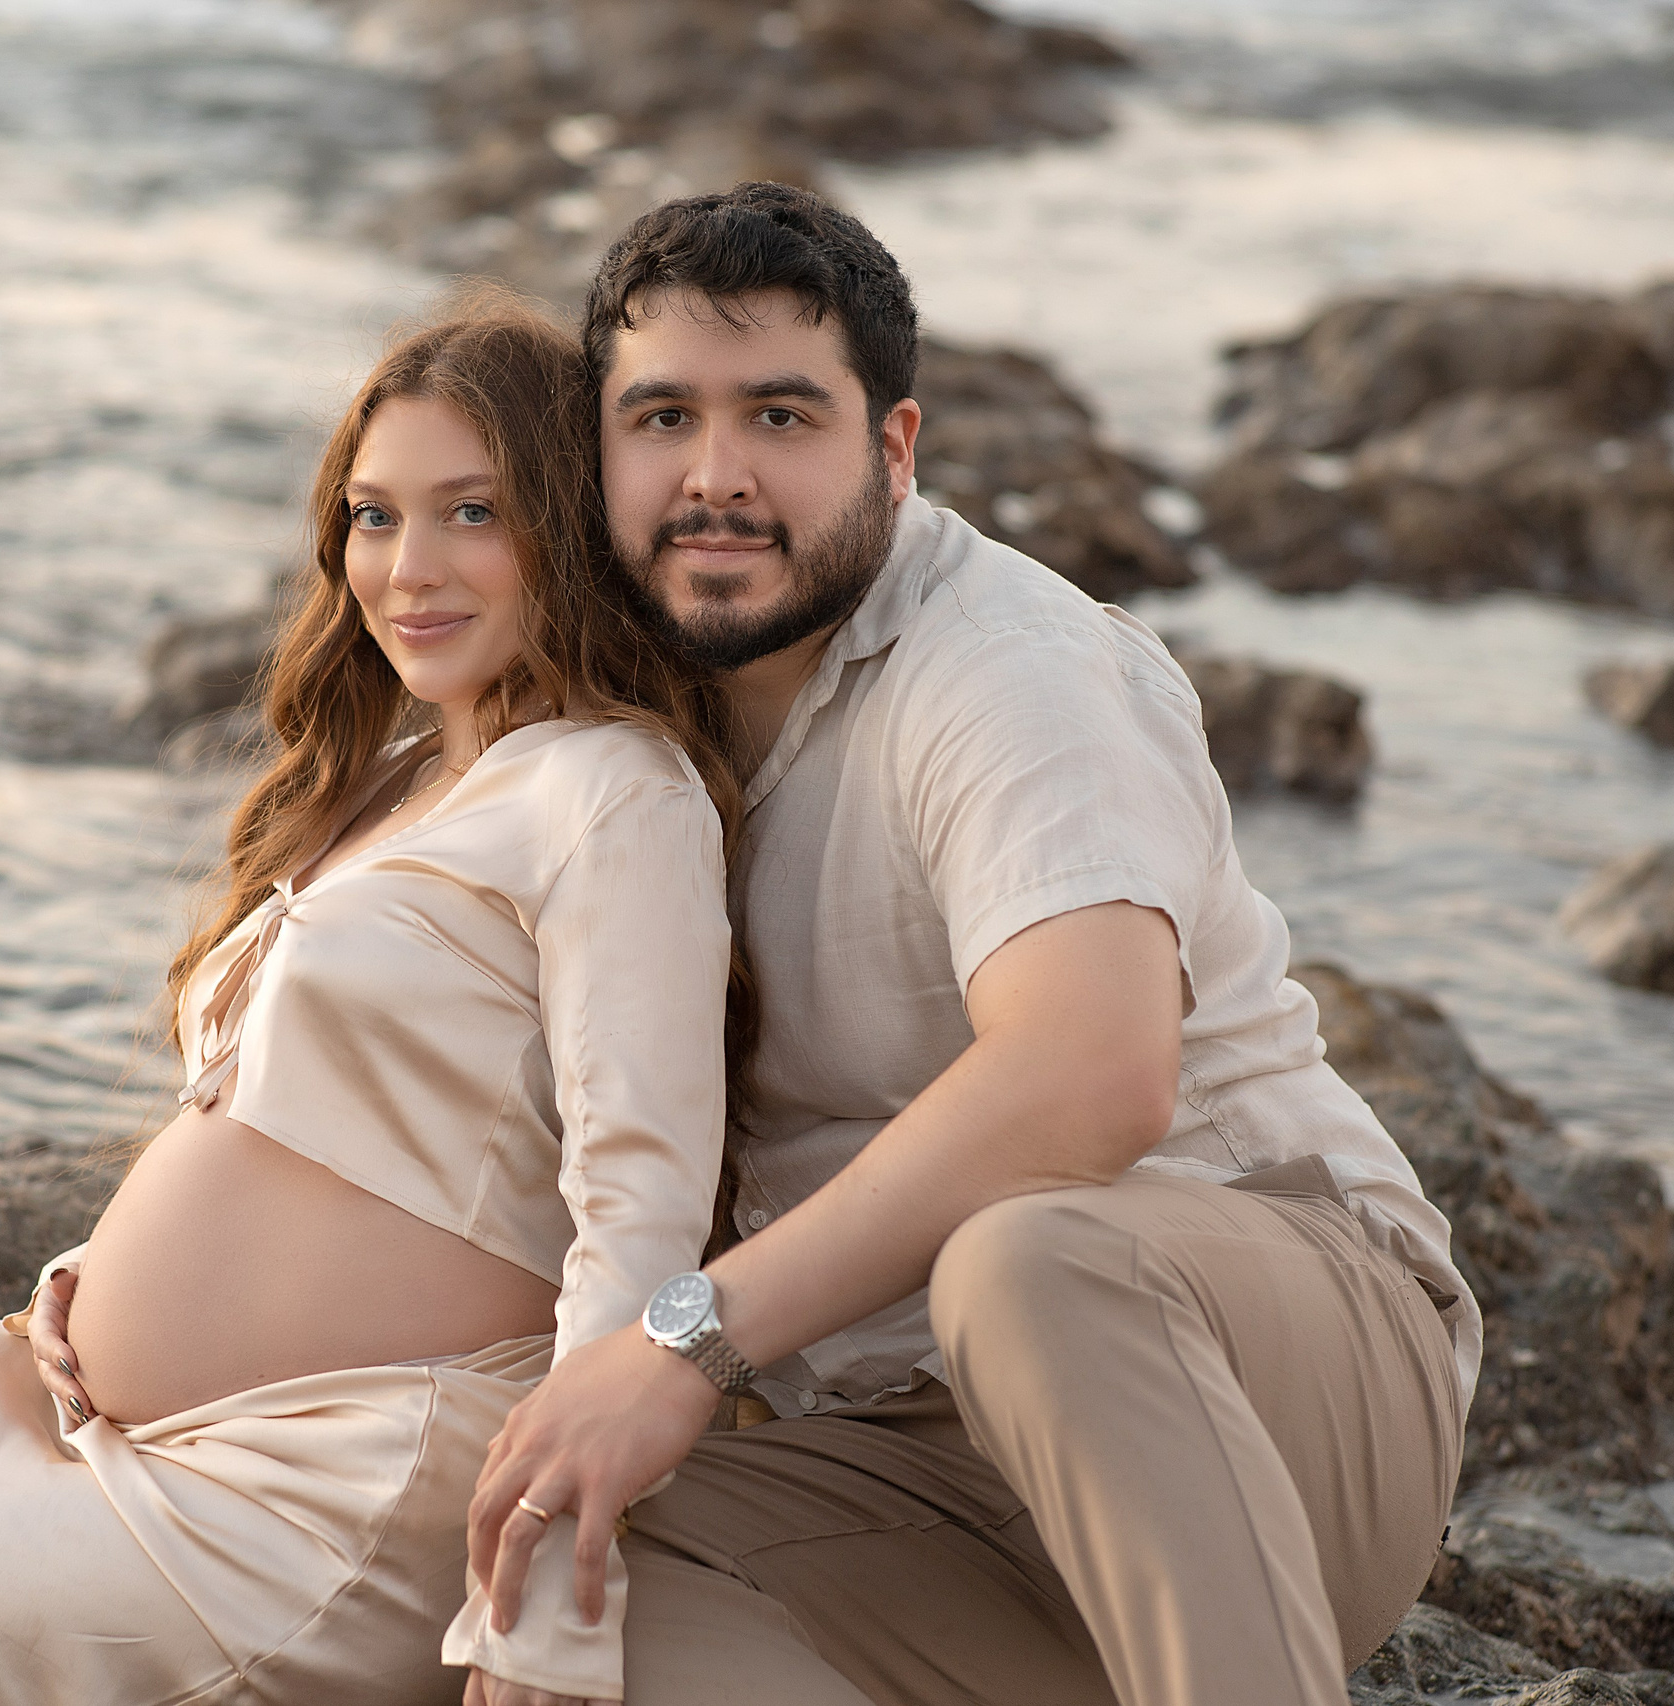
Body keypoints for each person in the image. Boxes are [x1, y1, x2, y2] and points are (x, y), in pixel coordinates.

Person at [0, 298, 745, 1706]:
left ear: (569, 522)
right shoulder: (397, 775)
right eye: (373, 517)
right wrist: (88, 1276)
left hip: (336, 1481)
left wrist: (542, 1609)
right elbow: (291, 1126)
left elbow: (640, 1203)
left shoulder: (615, 792)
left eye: (470, 513)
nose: (407, 569)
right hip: (124, 1417)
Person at [461, 183, 1480, 1706]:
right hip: (918, 1466)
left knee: (1027, 1259)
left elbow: (1091, 1077)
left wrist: (684, 1344)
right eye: (662, 416)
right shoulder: (613, 721)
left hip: (1270, 1382)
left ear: (894, 447)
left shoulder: (1006, 669)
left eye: (783, 417)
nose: (716, 476)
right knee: (547, 1597)